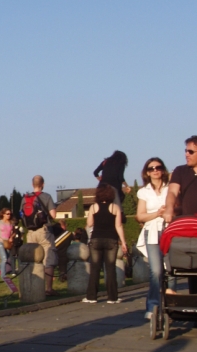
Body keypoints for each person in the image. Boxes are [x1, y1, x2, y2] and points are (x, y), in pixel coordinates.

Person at [136, 157, 176, 320]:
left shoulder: (170, 188)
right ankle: (152, 305)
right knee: (156, 271)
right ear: (147, 172)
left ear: (163, 170)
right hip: (152, 231)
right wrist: (157, 214)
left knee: (171, 269)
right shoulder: (144, 192)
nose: (155, 170)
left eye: (158, 167)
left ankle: (172, 303)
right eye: (151, 168)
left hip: (170, 230)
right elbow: (140, 216)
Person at [83, 183, 128, 303]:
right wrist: (123, 242)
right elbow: (118, 226)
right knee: (110, 268)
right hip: (111, 239)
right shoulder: (115, 208)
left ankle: (91, 296)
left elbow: (90, 223)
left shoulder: (93, 207)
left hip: (96, 239)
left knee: (95, 268)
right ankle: (112, 297)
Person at [164, 135, 197, 295]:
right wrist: (169, 208)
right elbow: (172, 191)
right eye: (185, 151)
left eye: (191, 151)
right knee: (192, 267)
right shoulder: (180, 171)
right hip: (188, 225)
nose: (186, 154)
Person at [21, 176, 58, 296]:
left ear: (32, 185)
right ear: (43, 184)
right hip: (44, 230)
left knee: (33, 260)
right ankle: (48, 288)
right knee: (48, 258)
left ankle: (33, 287)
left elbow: (22, 214)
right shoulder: (46, 196)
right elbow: (53, 215)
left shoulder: (25, 198)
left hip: (31, 231)